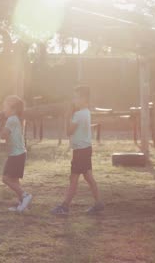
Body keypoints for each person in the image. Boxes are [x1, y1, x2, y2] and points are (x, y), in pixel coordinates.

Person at [51, 85, 104, 215]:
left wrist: (67, 117)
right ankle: (98, 203)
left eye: (76, 97)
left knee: (74, 178)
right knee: (88, 177)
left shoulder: (79, 115)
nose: (74, 100)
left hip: (80, 151)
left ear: (84, 99)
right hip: (85, 149)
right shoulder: (86, 112)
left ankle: (65, 206)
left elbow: (68, 132)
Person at [0, 95, 32, 213]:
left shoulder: (12, 119)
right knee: (15, 181)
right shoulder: (16, 119)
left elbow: (3, 135)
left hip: (16, 154)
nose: (3, 110)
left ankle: (25, 196)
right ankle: (23, 205)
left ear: (13, 109)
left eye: (5, 107)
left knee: (6, 179)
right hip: (19, 154)